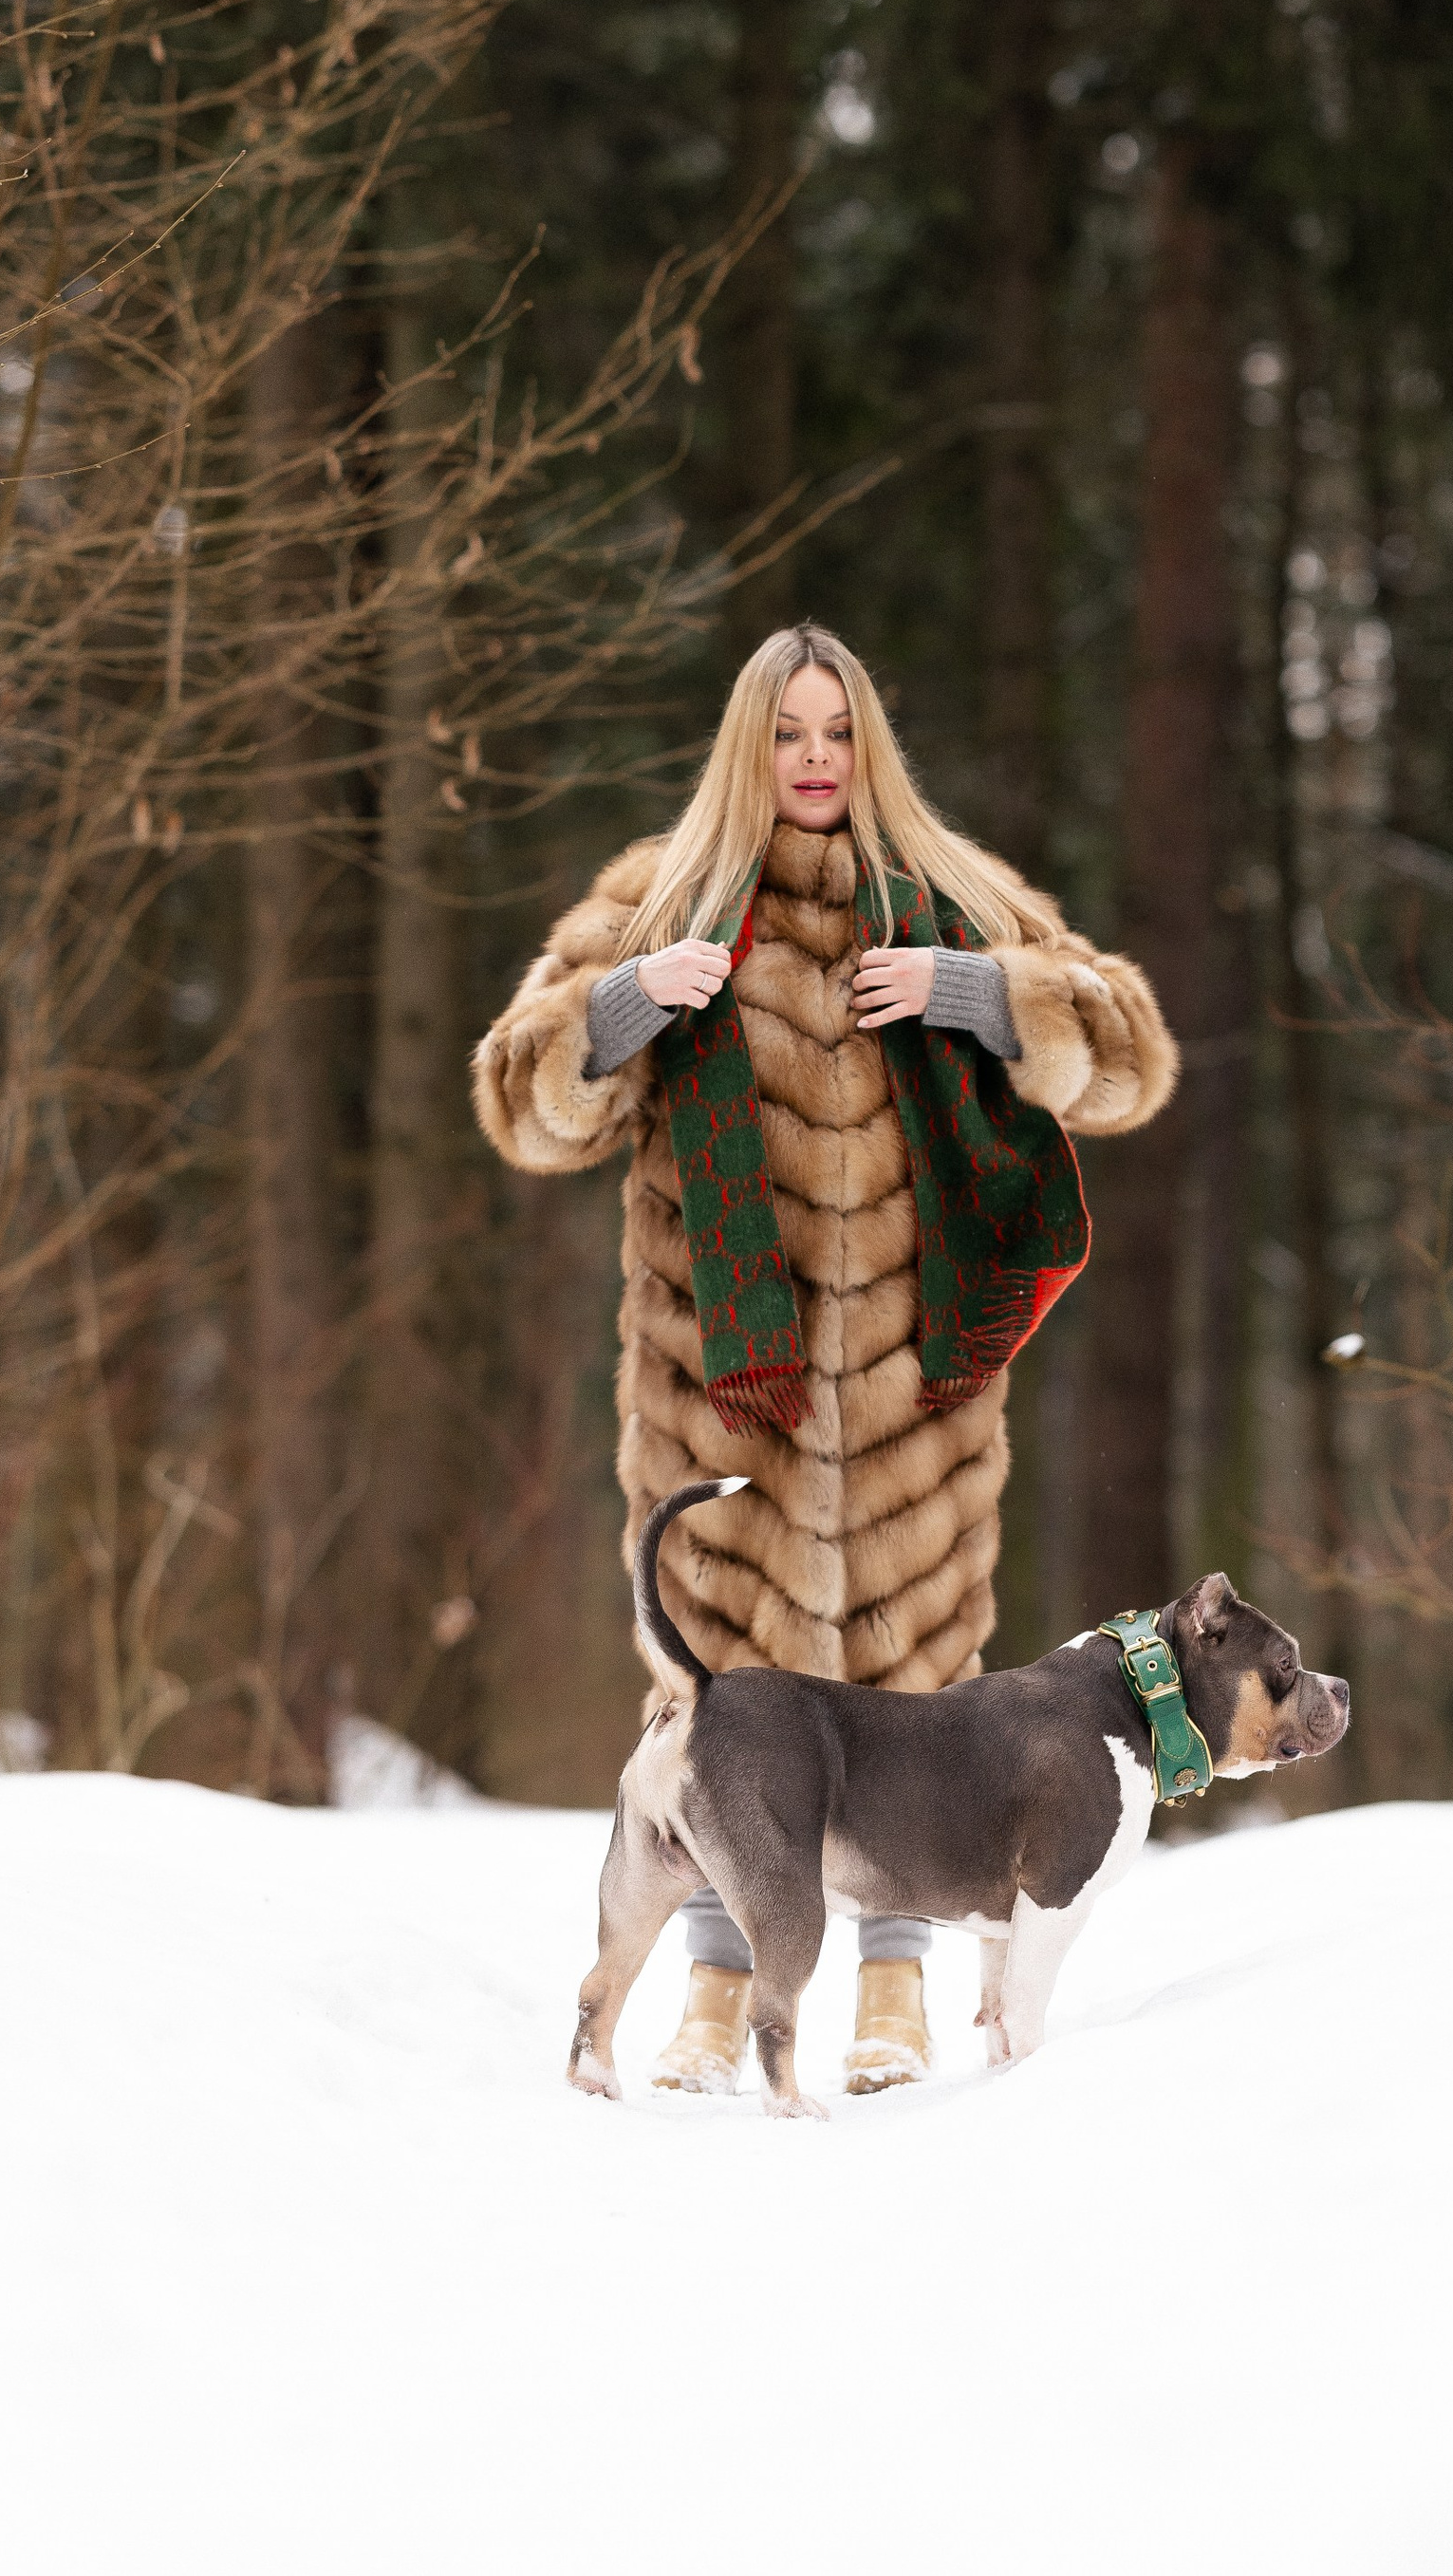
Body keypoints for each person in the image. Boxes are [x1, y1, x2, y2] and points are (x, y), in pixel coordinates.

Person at [473, 623, 1176, 2093]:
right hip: (723, 1397)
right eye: (785, 734)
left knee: (919, 1691)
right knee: (739, 1697)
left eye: (835, 732)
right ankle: (719, 1990)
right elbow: (521, 1101)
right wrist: (621, 1008)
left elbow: (1125, 1059)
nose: (812, 759)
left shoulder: (958, 898)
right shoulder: (657, 902)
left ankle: (897, 1990)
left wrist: (976, 995)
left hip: (919, 1397)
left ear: (869, 746)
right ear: (749, 747)